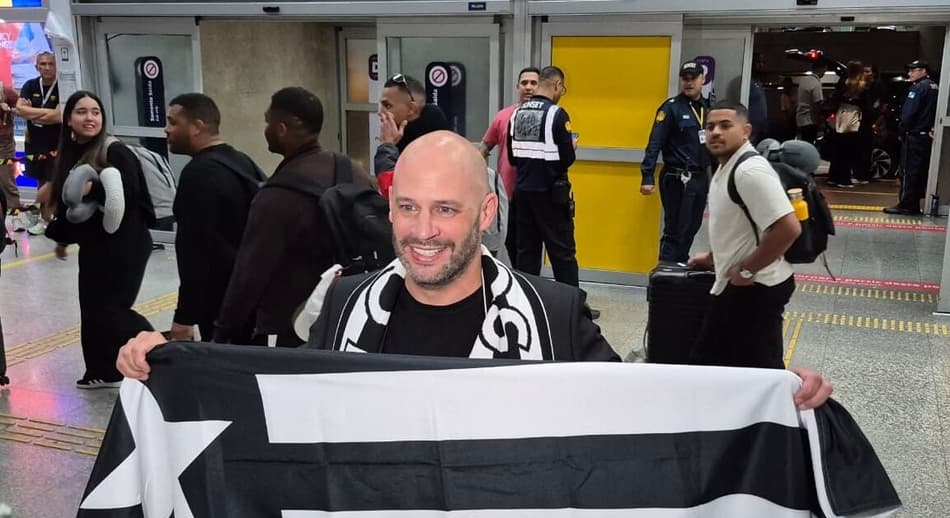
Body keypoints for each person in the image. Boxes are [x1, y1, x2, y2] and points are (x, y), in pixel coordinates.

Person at [117, 131, 833, 410]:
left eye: (447, 210)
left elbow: (640, 407)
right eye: (407, 208)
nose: (423, 233)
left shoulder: (553, 314)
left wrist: (770, 401)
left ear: (488, 210)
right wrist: (174, 362)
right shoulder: (343, 305)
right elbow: (282, 401)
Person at [212, 86, 373, 347]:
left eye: (268, 122)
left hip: (290, 327)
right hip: (347, 317)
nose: (265, 129)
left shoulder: (277, 196)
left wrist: (224, 332)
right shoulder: (354, 171)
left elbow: (250, 273)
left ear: (282, 129)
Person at [46, 91, 156, 389]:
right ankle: (103, 371)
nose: (90, 118)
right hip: (97, 246)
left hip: (124, 244)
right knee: (93, 309)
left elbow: (129, 197)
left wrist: (93, 191)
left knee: (111, 310)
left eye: (95, 112)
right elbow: (72, 207)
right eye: (81, 112)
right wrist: (61, 239)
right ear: (69, 118)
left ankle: (161, 351)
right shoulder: (74, 152)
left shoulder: (114, 151)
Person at [688, 101, 802, 370]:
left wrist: (748, 271)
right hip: (739, 284)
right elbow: (741, 227)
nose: (716, 132)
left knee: (757, 371)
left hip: (756, 288)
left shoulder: (749, 171)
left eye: (726, 126)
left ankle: (770, 412)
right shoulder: (726, 166)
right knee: (715, 363)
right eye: (710, 126)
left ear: (746, 131)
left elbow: (788, 227)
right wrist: (715, 258)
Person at [164, 93, 265, 343]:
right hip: (250, 294)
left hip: (220, 303)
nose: (166, 130)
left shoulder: (198, 174)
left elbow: (194, 252)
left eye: (173, 122)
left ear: (196, 127)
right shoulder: (241, 161)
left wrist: (184, 317)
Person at [507, 66, 580, 288]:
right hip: (551, 195)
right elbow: (567, 158)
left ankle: (527, 303)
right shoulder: (557, 114)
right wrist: (572, 146)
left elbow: (512, 158)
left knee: (526, 253)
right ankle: (571, 306)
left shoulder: (516, 114)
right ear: (557, 85)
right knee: (562, 253)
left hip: (523, 194)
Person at [640, 61, 712, 264]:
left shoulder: (708, 108)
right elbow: (655, 142)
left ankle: (681, 265)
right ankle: (666, 270)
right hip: (677, 176)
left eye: (693, 78)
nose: (689, 83)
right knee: (675, 228)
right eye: (685, 78)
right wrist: (647, 176)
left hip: (699, 176)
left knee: (692, 226)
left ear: (702, 79)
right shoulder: (671, 108)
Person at [480, 66, 540, 265]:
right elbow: (485, 147)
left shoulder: (547, 117)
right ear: (517, 87)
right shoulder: (503, 116)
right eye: (524, 83)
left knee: (531, 247)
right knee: (510, 245)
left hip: (535, 194)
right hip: (507, 194)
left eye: (534, 83)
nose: (529, 87)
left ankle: (531, 286)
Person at [375, 74, 450, 197]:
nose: (380, 112)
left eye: (387, 106)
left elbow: (391, 192)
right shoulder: (400, 136)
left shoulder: (432, 142)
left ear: (412, 109)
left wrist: (386, 147)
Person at [15, 52, 61, 235]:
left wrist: (30, 111)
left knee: (53, 182)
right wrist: (44, 114)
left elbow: (58, 116)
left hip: (56, 144)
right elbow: (19, 109)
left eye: (51, 64)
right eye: (43, 64)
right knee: (41, 180)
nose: (47, 67)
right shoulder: (30, 85)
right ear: (37, 67)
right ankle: (45, 217)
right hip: (34, 143)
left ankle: (41, 216)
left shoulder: (62, 87)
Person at [884, 60, 939, 215]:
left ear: (923, 71)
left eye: (913, 71)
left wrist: (902, 130)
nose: (909, 74)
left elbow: (909, 114)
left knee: (909, 171)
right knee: (920, 170)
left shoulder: (918, 88)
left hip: (914, 135)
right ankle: (913, 201)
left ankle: (907, 204)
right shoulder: (934, 87)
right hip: (926, 134)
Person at [827, 60, 870, 189]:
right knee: (849, 149)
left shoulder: (843, 82)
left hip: (841, 115)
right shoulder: (862, 85)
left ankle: (834, 177)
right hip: (854, 117)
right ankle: (844, 179)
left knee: (838, 149)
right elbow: (867, 106)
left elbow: (835, 98)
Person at [0, 83, 21, 212]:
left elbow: (23, 109)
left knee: (6, 180)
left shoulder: (5, 90)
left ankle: (14, 214)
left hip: (3, 141)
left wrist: (8, 109)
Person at [796, 62, 826, 143]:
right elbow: (818, 102)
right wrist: (822, 120)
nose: (824, 72)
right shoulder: (816, 83)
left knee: (803, 143)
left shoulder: (804, 80)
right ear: (820, 69)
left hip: (801, 119)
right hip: (810, 120)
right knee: (809, 143)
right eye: (824, 70)